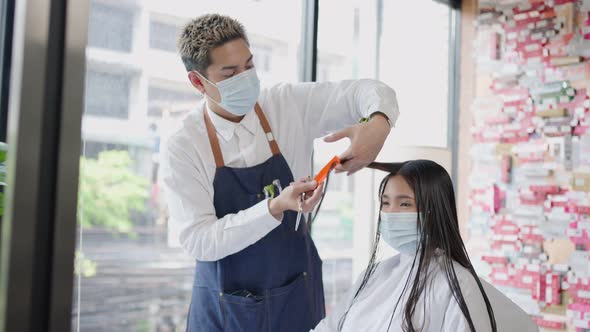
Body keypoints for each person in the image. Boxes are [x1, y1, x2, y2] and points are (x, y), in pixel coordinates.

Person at [160, 14, 399, 332]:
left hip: (295, 292)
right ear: (198, 82)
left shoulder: (286, 105)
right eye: (230, 73)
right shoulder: (185, 145)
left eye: (249, 65)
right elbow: (199, 240)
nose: (245, 78)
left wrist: (378, 125)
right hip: (225, 307)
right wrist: (274, 207)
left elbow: (369, 92)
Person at [312, 160, 539, 332]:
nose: (390, 214)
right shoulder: (374, 276)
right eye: (385, 203)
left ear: (433, 211)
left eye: (404, 204)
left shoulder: (457, 286)